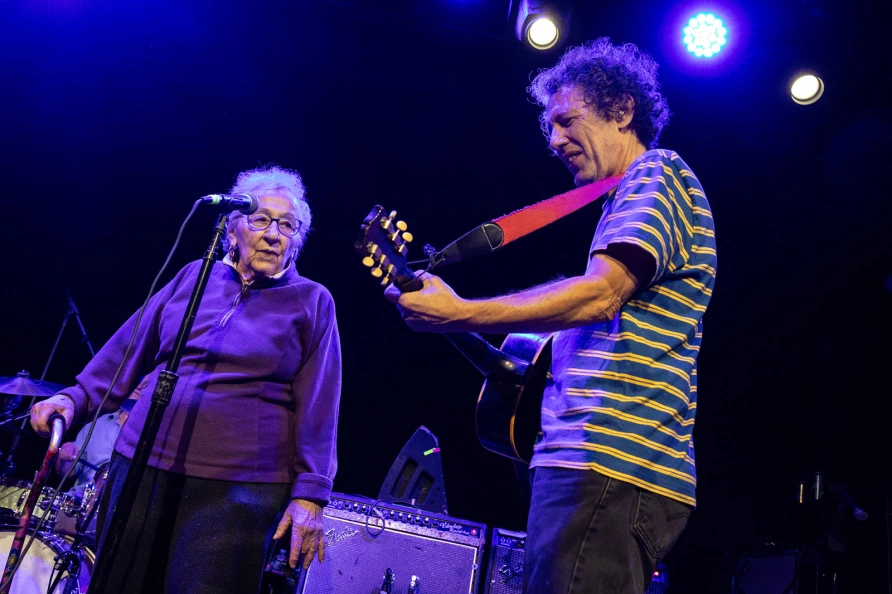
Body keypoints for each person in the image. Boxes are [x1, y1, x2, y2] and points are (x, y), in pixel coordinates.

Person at [385, 39, 716, 593]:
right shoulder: (628, 199)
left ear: (622, 110)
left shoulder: (656, 175)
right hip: (596, 466)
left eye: (567, 121)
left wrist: (461, 312)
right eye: (551, 128)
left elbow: (599, 295)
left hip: (608, 464)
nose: (556, 140)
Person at [31, 165, 341, 594]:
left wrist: (311, 494)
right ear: (232, 231)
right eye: (261, 219)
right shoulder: (194, 276)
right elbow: (129, 347)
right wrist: (77, 398)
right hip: (141, 464)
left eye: (288, 225)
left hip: (237, 489)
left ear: (297, 241)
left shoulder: (311, 301)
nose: (274, 233)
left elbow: (320, 405)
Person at [54, 379, 146, 497]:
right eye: (139, 379)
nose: (139, 386)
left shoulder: (152, 436)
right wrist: (65, 458)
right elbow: (68, 473)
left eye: (147, 384)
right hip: (78, 500)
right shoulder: (98, 422)